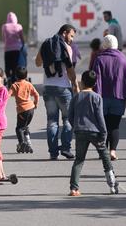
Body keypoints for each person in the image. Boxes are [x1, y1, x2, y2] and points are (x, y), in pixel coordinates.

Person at [92, 35, 126, 161]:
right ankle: (113, 151)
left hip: (103, 98)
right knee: (114, 126)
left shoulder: (99, 59)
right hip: (118, 98)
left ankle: (103, 151)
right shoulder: (123, 59)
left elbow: (95, 80)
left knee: (102, 125)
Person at [68, 70, 119, 196]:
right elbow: (100, 117)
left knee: (79, 160)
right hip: (95, 132)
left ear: (82, 82)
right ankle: (112, 184)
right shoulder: (96, 97)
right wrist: (104, 133)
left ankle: (74, 188)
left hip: (80, 131)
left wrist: (76, 126)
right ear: (95, 83)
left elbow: (70, 115)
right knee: (105, 157)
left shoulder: (76, 97)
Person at [35, 24, 79, 160]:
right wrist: (75, 85)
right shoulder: (68, 48)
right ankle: (65, 148)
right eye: (71, 36)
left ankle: (53, 152)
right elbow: (70, 69)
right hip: (63, 89)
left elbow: (37, 63)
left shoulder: (46, 44)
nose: (71, 39)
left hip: (48, 88)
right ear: (65, 33)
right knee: (68, 119)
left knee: (52, 122)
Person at [9, 67, 39, 153]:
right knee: (25, 126)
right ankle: (28, 143)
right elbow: (36, 94)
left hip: (22, 110)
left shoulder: (15, 85)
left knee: (19, 128)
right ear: (26, 76)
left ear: (16, 76)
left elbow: (7, 95)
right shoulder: (29, 84)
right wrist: (35, 103)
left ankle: (22, 143)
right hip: (31, 109)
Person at [1, 12, 24, 84]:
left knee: (8, 65)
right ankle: (14, 79)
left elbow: (3, 38)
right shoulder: (19, 26)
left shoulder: (4, 26)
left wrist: (6, 44)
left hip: (7, 49)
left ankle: (8, 77)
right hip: (17, 49)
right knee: (15, 65)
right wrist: (22, 45)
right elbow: (22, 38)